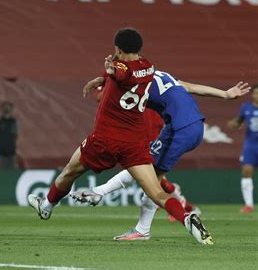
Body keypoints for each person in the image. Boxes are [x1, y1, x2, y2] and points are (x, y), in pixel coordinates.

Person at [27, 28, 213, 245]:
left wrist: (110, 70)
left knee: (69, 172)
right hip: (134, 142)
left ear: (117, 48)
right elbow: (125, 72)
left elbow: (121, 72)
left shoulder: (120, 68)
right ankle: (187, 218)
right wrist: (104, 76)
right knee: (156, 192)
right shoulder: (148, 67)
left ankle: (47, 206)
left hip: (104, 138)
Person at [73, 71, 250, 240]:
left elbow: (117, 98)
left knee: (146, 173)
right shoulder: (160, 75)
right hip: (193, 126)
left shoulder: (137, 82)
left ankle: (103, 195)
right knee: (152, 179)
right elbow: (190, 87)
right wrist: (225, 94)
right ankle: (140, 227)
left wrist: (104, 82)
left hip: (179, 130)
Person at [228, 85, 258, 214]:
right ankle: (249, 205)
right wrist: (234, 124)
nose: (257, 95)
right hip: (251, 145)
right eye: (256, 93)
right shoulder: (246, 107)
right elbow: (238, 122)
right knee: (246, 171)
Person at [0, 101, 19, 169]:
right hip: (0, 151)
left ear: (12, 109)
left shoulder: (14, 122)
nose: (7, 109)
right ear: (1, 109)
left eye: (9, 107)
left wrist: (11, 143)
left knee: (12, 170)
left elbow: (17, 134)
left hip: (11, 151)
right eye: (5, 107)